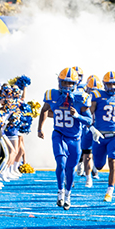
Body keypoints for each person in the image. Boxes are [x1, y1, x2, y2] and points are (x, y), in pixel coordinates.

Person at [37, 67, 92, 209]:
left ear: (75, 83)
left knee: (70, 168)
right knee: (60, 163)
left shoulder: (81, 97)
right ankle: (60, 192)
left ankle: (68, 194)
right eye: (64, 83)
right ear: (59, 82)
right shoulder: (52, 95)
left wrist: (77, 116)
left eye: (70, 83)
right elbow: (44, 110)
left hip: (75, 138)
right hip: (59, 135)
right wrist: (40, 128)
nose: (67, 86)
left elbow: (89, 121)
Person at [89, 71, 115, 202]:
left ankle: (110, 191)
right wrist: (92, 128)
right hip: (100, 136)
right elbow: (89, 114)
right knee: (99, 165)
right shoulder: (97, 95)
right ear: (104, 84)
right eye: (109, 84)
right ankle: (94, 168)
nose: (111, 87)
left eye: (114, 84)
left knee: (113, 161)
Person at [80, 76, 103, 187]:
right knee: (87, 153)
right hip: (87, 128)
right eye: (91, 90)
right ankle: (88, 176)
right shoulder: (84, 98)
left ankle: (95, 170)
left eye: (96, 90)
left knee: (97, 153)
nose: (93, 93)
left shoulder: (103, 99)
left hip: (99, 128)